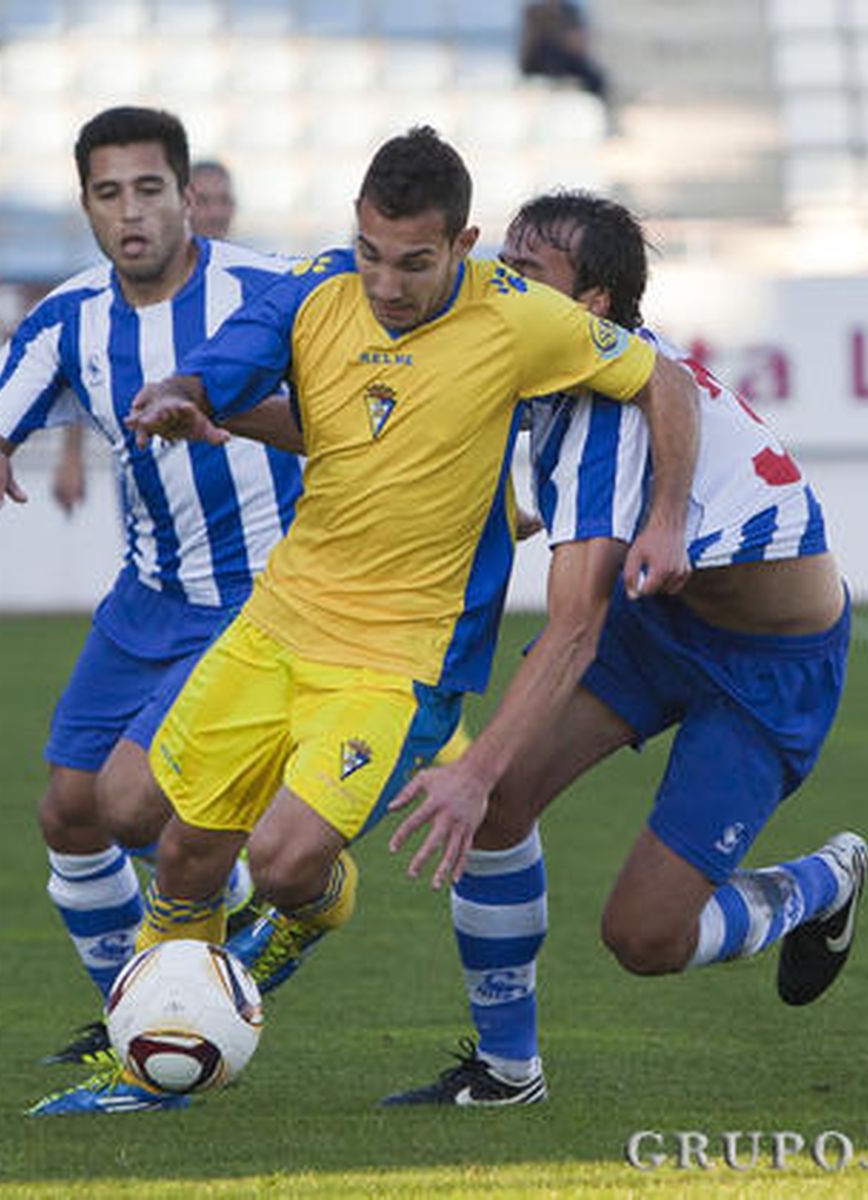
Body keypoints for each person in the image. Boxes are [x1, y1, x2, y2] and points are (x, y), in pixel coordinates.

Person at [41, 127, 699, 1113]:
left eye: (415, 262)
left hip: (400, 660)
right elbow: (234, 357)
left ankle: (303, 919)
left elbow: (664, 379)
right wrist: (184, 392)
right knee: (152, 829)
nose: (386, 283)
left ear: (463, 242)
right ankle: (157, 1050)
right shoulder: (318, 288)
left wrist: (666, 517)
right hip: (278, 622)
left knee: (281, 860)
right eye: (371, 253)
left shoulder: (520, 319)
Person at [380, 191, 866, 1107]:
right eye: (504, 264)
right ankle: (506, 1069)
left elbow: (575, 626)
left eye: (529, 275)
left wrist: (474, 765)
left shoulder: (603, 410)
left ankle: (818, 885)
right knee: (496, 816)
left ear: (592, 306)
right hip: (661, 618)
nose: (501, 286)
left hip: (770, 664)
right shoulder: (561, 366)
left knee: (644, 939)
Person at [0, 106, 304, 1113]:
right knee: (68, 812)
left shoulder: (269, 293)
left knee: (132, 804)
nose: (130, 212)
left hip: (262, 600)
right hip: (145, 600)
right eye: (109, 194)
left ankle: (190, 1009)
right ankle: (136, 1021)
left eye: (149, 190)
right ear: (88, 206)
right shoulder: (71, 318)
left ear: (188, 196)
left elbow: (360, 419)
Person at [52, 158, 241, 516]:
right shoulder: (135, 286)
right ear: (183, 204)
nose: (216, 213)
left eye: (224, 201)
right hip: (154, 467)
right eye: (206, 200)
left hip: (239, 468)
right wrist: (71, 457)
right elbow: (82, 367)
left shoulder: (253, 286)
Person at [519, 0, 611, 102]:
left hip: (569, 62)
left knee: (597, 80)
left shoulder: (570, 11)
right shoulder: (535, 12)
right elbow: (531, 43)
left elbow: (577, 40)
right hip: (543, 61)